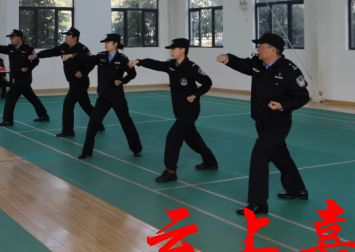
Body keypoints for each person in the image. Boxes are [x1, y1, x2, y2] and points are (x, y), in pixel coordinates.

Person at [218, 33, 310, 215]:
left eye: (261, 46)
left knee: (259, 156)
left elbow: (303, 96)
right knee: (280, 156)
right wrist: (227, 58)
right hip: (261, 121)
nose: (257, 49)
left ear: (272, 50)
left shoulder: (290, 70)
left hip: (278, 123)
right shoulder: (258, 64)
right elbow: (243, 64)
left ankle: (258, 203)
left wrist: (283, 105)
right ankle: (297, 190)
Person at [130, 38, 216, 183]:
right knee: (192, 138)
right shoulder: (172, 65)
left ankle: (170, 171)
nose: (171, 51)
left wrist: (196, 94)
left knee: (173, 137)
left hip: (190, 110)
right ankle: (210, 162)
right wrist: (139, 61)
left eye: (174, 48)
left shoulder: (192, 67)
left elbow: (207, 82)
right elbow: (156, 64)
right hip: (179, 110)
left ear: (182, 50)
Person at [64, 33, 142, 159]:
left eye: (108, 42)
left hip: (117, 97)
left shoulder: (123, 59)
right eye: (105, 42)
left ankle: (136, 149)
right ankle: (86, 151)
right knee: (93, 124)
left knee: (126, 122)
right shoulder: (101, 56)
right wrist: (73, 55)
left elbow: (132, 74)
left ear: (115, 44)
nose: (105, 44)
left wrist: (122, 81)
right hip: (103, 98)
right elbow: (88, 59)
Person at [32, 27, 100, 138]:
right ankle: (99, 125)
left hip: (81, 81)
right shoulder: (63, 47)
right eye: (66, 35)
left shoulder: (82, 49)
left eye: (68, 36)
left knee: (68, 104)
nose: (66, 37)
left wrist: (82, 72)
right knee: (86, 105)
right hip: (72, 82)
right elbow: (51, 52)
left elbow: (92, 62)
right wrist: (36, 55)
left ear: (75, 38)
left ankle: (68, 131)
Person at [0, 29, 48, 127]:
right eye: (10, 38)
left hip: (24, 78)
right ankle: (44, 115)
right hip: (17, 78)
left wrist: (28, 68)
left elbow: (36, 60)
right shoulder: (10, 48)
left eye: (12, 37)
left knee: (10, 96)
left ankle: (8, 120)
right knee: (32, 97)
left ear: (19, 37)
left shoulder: (28, 48)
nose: (11, 39)